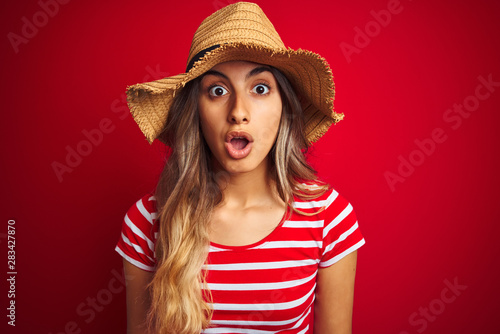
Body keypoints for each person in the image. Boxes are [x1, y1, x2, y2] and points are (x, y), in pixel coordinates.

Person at [115, 2, 365, 333]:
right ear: (196, 112)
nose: (238, 111)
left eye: (260, 88)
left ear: (284, 107)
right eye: (217, 91)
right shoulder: (147, 222)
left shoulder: (328, 217)